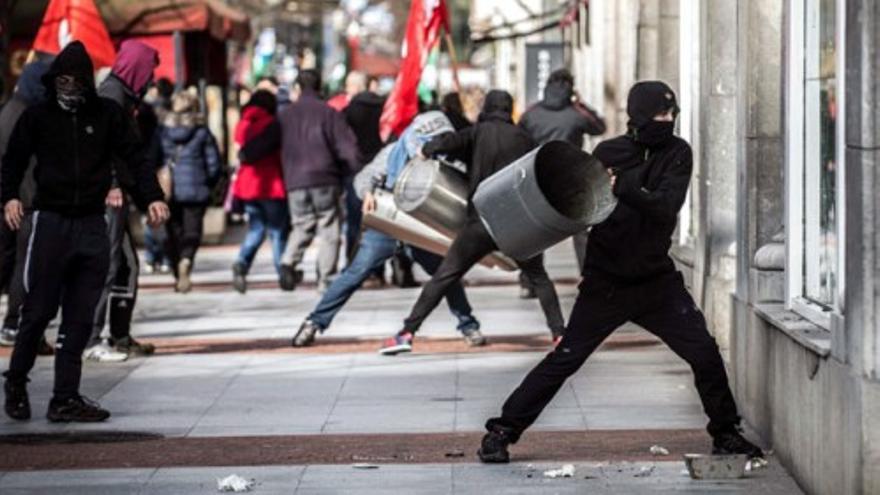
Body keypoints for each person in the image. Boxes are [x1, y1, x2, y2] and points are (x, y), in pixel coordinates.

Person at [477, 81, 765, 463]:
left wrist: (625, 186)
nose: (668, 121)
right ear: (640, 116)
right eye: (661, 115)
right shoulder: (607, 152)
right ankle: (501, 431)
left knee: (704, 352)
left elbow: (665, 207)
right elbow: (581, 208)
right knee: (565, 358)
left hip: (656, 282)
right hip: (607, 283)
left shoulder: (678, 153)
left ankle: (725, 432)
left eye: (671, 114)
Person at [2, 41, 169, 423]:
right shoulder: (38, 116)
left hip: (91, 223)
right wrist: (9, 197)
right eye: (62, 80)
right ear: (52, 81)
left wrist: (152, 198)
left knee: (79, 316)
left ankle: (64, 396)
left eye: (76, 81)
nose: (70, 88)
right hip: (50, 222)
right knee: (39, 310)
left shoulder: (108, 114)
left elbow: (135, 158)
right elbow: (12, 161)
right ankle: (15, 382)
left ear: (86, 83)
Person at [378, 90, 566, 356]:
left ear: (488, 107)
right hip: (517, 224)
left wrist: (426, 149)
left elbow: (447, 142)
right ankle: (559, 335)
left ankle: (407, 333)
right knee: (539, 278)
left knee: (445, 275)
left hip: (481, 222)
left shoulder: (477, 132)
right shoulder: (524, 138)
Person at [292, 111, 484, 348]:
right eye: (426, 139)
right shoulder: (393, 153)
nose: (430, 146)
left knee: (446, 275)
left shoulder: (448, 158)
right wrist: (368, 193)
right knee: (355, 274)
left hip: (422, 228)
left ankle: (469, 326)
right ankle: (314, 322)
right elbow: (363, 178)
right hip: (389, 223)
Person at [240, 70, 362, 293]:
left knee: (302, 224)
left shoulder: (285, 115)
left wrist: (247, 153)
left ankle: (288, 262)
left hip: (295, 180)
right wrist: (357, 172)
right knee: (329, 229)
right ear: (319, 89)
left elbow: (266, 140)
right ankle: (325, 280)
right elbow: (348, 148)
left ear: (297, 89)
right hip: (326, 178)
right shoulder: (329, 113)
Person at [84, 40, 162, 362]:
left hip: (118, 195)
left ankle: (118, 334)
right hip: (107, 197)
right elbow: (98, 146)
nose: (151, 80)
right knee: (108, 263)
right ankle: (90, 339)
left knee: (127, 266)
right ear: (136, 68)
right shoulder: (110, 97)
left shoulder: (124, 97)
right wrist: (112, 183)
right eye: (149, 72)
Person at [518, 68, 606, 289]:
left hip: (538, 178)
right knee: (581, 229)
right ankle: (589, 278)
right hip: (572, 177)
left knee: (535, 230)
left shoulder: (531, 113)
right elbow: (599, 127)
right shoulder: (577, 113)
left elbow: (520, 141)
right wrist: (581, 103)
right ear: (571, 87)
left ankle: (529, 281)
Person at [0, 59, 54, 355]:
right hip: (23, 203)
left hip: (17, 200)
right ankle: (16, 325)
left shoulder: (14, 109)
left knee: (17, 265)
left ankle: (19, 326)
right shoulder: (23, 115)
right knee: (26, 266)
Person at [160, 92, 223, 293]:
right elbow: (214, 164)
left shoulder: (162, 131)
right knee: (193, 232)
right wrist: (209, 182)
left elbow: (152, 158)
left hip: (169, 190)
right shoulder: (202, 132)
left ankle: (177, 272)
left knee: (173, 232)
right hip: (196, 189)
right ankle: (186, 260)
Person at [231, 90, 289, 293]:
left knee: (256, 229)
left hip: (248, 185)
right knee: (276, 231)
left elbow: (238, 149)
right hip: (270, 183)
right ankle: (283, 270)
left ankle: (241, 263)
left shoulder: (242, 123)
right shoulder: (273, 124)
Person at [342, 74, 384, 273]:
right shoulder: (385, 108)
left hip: (356, 171)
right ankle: (378, 269)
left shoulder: (347, 112)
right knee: (380, 221)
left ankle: (352, 265)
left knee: (354, 222)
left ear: (355, 88)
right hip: (382, 170)